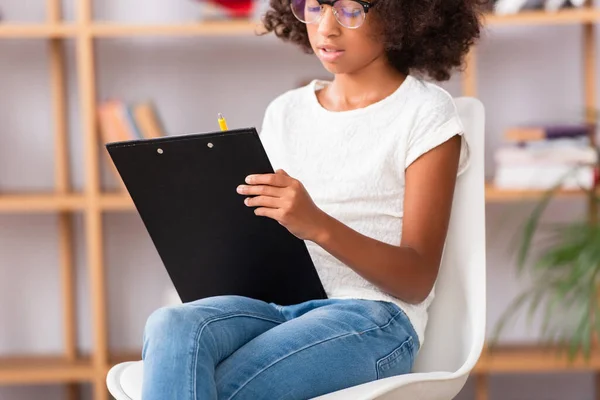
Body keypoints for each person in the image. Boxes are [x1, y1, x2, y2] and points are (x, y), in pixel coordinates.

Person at [141, 0, 484, 399]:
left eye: (350, 10)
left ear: (401, 15)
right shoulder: (285, 112)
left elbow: (416, 279)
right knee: (171, 326)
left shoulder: (425, 113)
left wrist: (317, 225)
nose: (326, 28)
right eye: (313, 6)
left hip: (373, 319)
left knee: (214, 388)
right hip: (277, 308)